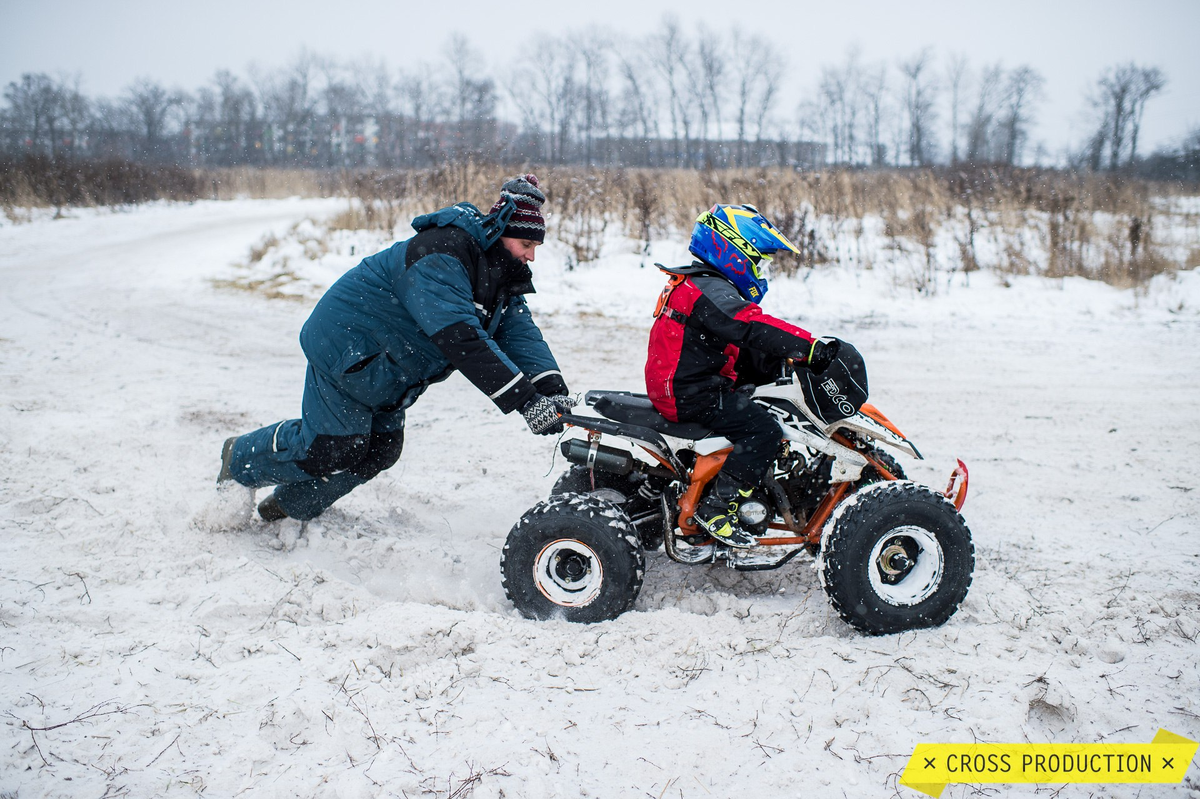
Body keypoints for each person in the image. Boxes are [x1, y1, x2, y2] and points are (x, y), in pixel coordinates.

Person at [218, 174, 573, 522]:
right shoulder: (442, 253)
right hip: (347, 346)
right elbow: (460, 339)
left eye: (535, 248)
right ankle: (238, 458)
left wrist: (551, 390)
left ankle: (290, 508)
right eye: (527, 246)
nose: (531, 257)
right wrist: (525, 401)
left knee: (380, 450)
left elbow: (519, 334)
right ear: (502, 232)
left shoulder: (499, 275)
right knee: (331, 447)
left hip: (389, 367)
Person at [645, 203, 840, 548]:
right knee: (764, 430)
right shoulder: (710, 291)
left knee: (760, 400)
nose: (760, 269)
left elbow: (734, 343)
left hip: (689, 385)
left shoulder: (701, 284)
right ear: (734, 250)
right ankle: (719, 508)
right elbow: (748, 325)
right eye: (758, 260)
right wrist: (807, 347)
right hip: (693, 394)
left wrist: (783, 361)